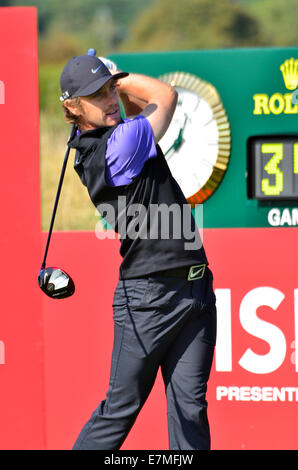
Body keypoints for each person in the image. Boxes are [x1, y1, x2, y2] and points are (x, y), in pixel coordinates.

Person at [59, 53, 217, 450]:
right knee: (120, 410)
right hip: (150, 298)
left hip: (194, 290)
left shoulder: (112, 134)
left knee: (189, 409)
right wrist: (118, 76)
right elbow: (165, 95)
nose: (110, 98)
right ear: (74, 108)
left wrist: (115, 88)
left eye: (110, 89)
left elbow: (134, 111)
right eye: (97, 95)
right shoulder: (117, 145)